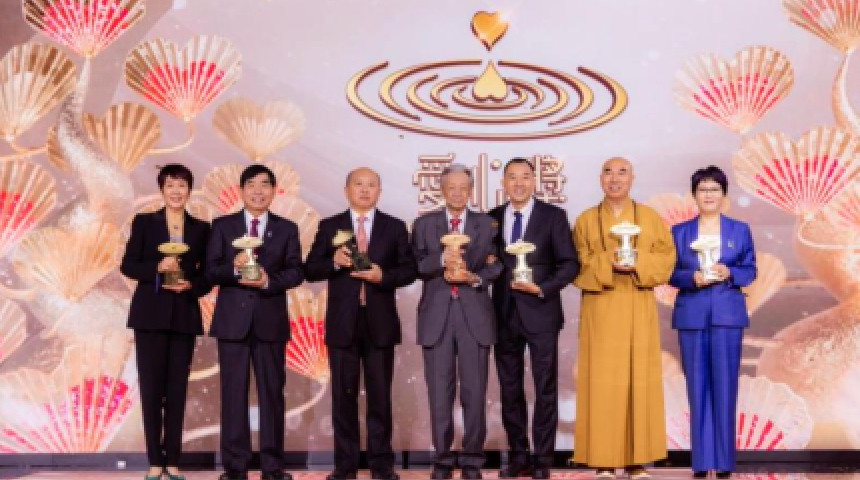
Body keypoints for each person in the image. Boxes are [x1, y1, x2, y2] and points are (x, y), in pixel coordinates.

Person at [304, 167, 417, 480]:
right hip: (343, 324)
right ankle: (345, 466)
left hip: (380, 323)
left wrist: (384, 276)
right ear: (346, 190)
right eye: (358, 184)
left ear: (379, 191)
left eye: (371, 185)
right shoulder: (330, 226)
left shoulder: (394, 227)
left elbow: (409, 270)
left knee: (380, 398)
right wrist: (333, 262)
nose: (365, 190)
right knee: (343, 397)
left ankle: (382, 465)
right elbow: (310, 269)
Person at [572, 157, 676, 479]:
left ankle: (636, 460)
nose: (614, 179)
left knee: (637, 381)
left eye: (622, 173)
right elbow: (577, 263)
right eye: (608, 172)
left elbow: (666, 259)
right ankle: (603, 459)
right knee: (602, 383)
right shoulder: (586, 220)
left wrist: (637, 262)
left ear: (632, 179)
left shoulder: (649, 217)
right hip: (601, 308)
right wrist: (610, 262)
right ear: (600, 178)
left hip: (637, 305)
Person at [206, 164, 304, 480]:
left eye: (265, 185)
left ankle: (272, 467)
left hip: (270, 321)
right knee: (233, 395)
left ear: (274, 191)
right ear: (241, 190)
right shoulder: (223, 226)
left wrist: (267, 281)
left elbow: (296, 272)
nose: (258, 191)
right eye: (251, 185)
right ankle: (235, 468)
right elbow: (210, 271)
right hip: (232, 323)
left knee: (272, 395)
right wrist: (234, 269)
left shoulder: (287, 229)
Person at [488, 158, 579, 480]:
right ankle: (518, 456)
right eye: (512, 177)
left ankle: (542, 459)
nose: (519, 183)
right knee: (510, 388)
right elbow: (488, 263)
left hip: (541, 311)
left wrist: (543, 288)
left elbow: (570, 264)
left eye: (525, 177)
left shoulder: (553, 216)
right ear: (503, 183)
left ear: (534, 181)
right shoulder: (492, 218)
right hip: (503, 313)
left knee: (545, 387)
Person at [412, 164, 503, 480]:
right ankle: (442, 460)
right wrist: (440, 260)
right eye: (451, 187)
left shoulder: (487, 224)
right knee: (439, 393)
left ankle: (473, 460)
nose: (457, 193)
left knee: (475, 392)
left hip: (474, 315)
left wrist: (475, 277)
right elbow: (415, 265)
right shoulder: (424, 224)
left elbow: (497, 265)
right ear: (441, 189)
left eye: (463, 187)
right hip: (436, 316)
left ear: (471, 191)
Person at [121, 163, 211, 480]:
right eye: (170, 185)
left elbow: (207, 275)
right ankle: (154, 462)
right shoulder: (145, 222)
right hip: (149, 315)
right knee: (150, 391)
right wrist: (157, 268)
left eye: (182, 185)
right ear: (161, 189)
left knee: (177, 391)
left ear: (190, 190)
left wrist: (191, 285)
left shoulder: (201, 228)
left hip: (183, 314)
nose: (176, 191)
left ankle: (173, 462)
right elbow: (128, 265)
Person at [668, 166, 756, 479]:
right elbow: (669, 272)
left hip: (727, 316)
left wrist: (730, 272)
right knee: (697, 387)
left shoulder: (739, 230)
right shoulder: (679, 232)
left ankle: (724, 462)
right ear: (694, 195)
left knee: (726, 386)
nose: (708, 195)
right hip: (692, 315)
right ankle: (702, 462)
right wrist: (691, 277)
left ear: (724, 194)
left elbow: (750, 270)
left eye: (714, 189)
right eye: (703, 189)